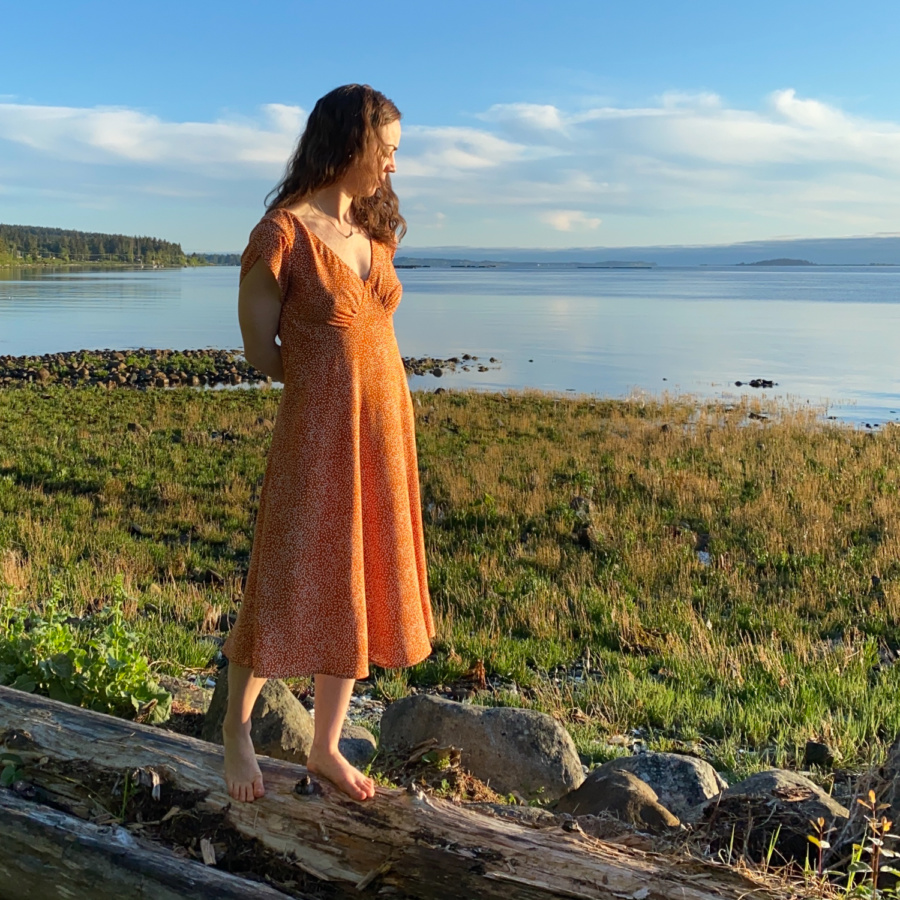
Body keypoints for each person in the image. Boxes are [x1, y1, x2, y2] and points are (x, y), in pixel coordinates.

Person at [220, 84, 435, 803]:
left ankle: (324, 747)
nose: (394, 167)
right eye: (389, 150)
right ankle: (237, 732)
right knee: (284, 575)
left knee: (356, 581)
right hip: (318, 435)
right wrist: (324, 390)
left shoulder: (374, 232)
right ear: (351, 142)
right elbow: (259, 349)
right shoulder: (283, 233)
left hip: (383, 435)